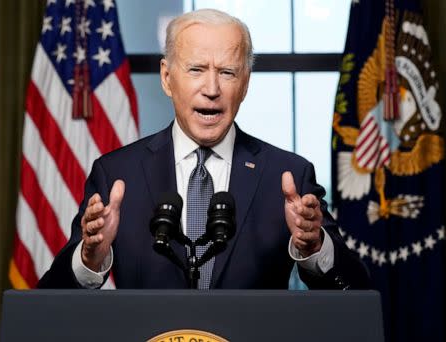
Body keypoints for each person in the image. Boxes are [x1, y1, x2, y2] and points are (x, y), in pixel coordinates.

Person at [38, 8, 371, 290]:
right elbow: (52, 298)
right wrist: (89, 257)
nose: (211, 89)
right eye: (196, 69)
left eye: (227, 72)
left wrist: (315, 246)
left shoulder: (287, 177)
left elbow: (356, 289)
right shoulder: (118, 175)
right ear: (167, 78)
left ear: (245, 84)